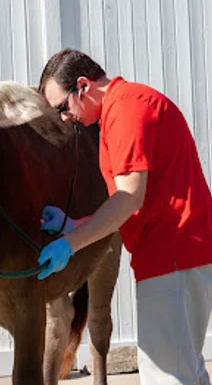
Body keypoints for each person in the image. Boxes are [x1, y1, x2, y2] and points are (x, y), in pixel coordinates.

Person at [37, 48, 212, 385]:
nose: (64, 118)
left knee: (168, 377)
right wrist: (73, 223)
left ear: (83, 86)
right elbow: (128, 203)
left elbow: (129, 198)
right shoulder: (125, 107)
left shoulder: (126, 110)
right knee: (185, 373)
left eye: (62, 107)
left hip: (173, 256)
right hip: (177, 257)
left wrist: (69, 243)